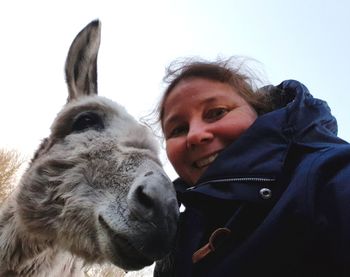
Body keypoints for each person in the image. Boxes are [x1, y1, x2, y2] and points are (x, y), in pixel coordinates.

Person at [152, 57, 350, 277]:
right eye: (178, 129)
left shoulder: (325, 174)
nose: (196, 135)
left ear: (258, 111)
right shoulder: (174, 244)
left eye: (217, 112)